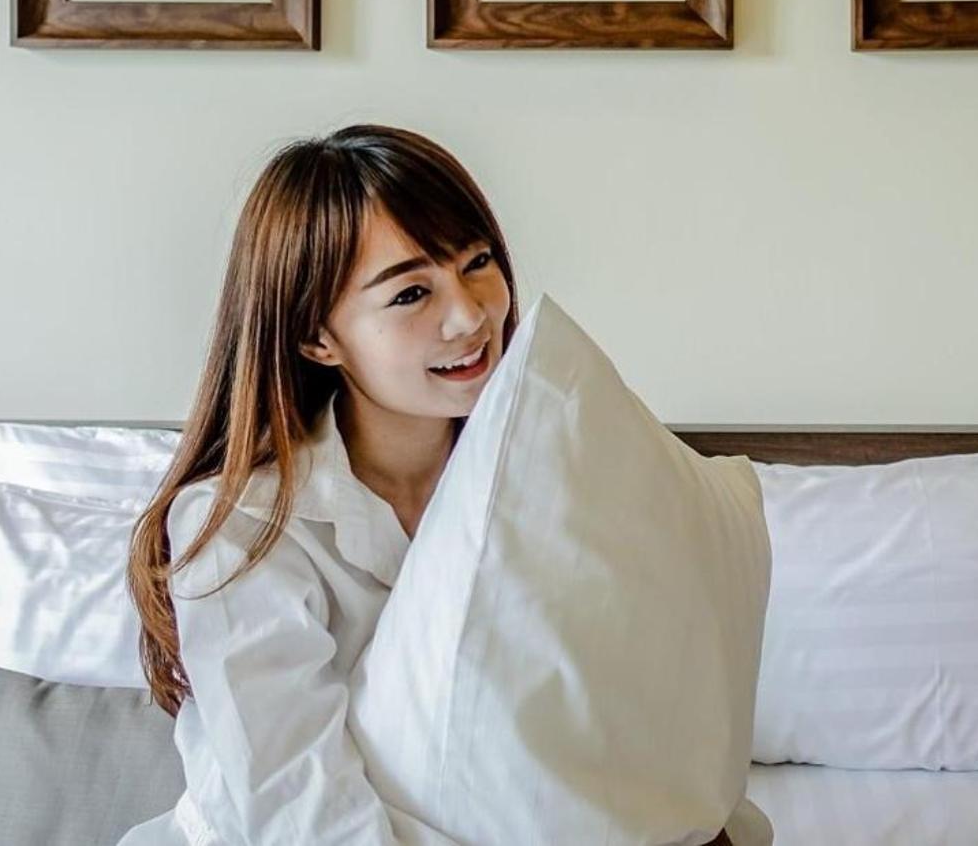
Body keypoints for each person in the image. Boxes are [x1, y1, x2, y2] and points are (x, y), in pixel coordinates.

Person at [118, 125, 768, 846]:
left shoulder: (553, 474)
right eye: (411, 293)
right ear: (318, 337)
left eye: (478, 262)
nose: (470, 315)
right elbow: (298, 809)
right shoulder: (244, 527)